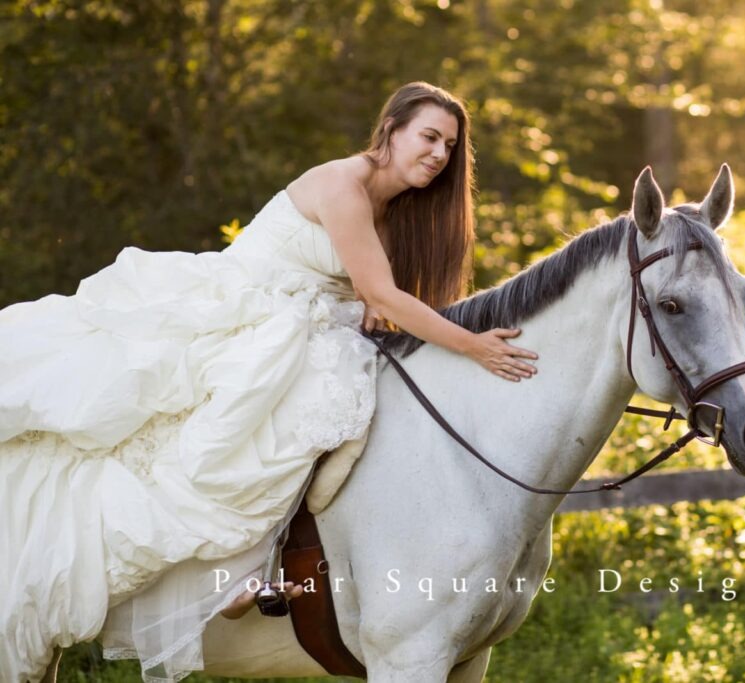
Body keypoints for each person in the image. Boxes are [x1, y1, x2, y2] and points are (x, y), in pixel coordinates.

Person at [0, 81, 538, 682]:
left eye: (449, 146)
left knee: (354, 402)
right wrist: (474, 346)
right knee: (283, 409)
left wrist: (376, 309)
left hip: (313, 320)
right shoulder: (343, 184)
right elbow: (383, 292)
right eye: (429, 136)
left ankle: (281, 564)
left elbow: (378, 296)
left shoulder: (403, 211)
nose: (439, 154)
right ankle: (231, 579)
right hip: (254, 307)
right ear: (391, 130)